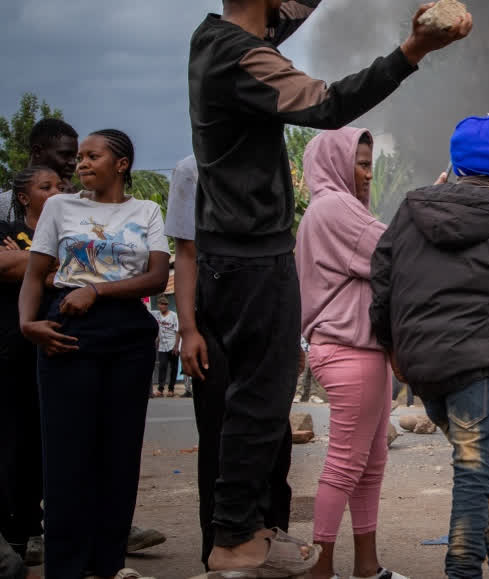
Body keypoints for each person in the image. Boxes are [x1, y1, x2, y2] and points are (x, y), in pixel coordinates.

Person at [189, 0, 471, 574]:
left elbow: (276, 19)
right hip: (252, 254)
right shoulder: (243, 60)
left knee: (254, 399)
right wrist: (412, 49)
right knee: (260, 400)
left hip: (229, 252)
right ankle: (235, 534)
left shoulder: (213, 38)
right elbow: (329, 103)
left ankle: (250, 527)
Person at [370, 115, 489, 579]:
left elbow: (382, 280)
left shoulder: (412, 208)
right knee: (472, 470)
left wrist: (393, 347)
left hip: (420, 365)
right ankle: (462, 569)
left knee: (475, 467)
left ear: (455, 163)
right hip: (475, 362)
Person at [18, 129, 170, 579]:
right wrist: (28, 325)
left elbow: (158, 277)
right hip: (67, 331)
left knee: (119, 456)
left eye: (93, 156)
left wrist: (98, 291)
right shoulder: (60, 207)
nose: (81, 164)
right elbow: (34, 274)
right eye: (80, 157)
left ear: (121, 164)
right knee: (67, 457)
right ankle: (65, 568)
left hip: (128, 336)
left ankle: (108, 565)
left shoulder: (146, 211)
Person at [168, 155, 295, 574]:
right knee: (221, 435)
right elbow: (186, 253)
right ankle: (220, 551)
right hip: (216, 320)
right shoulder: (193, 169)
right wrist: (189, 330)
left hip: (268, 313)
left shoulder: (272, 163)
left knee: (274, 433)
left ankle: (273, 540)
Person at [295, 127, 397, 579]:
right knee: (345, 465)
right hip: (349, 351)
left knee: (370, 463)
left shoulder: (336, 208)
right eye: (360, 163)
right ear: (335, 163)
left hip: (362, 352)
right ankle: (320, 570)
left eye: (370, 165)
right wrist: (431, 208)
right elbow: (397, 250)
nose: (367, 175)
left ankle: (367, 567)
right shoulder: (335, 207)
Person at [0, 167, 61, 566]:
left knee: (46, 443)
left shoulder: (70, 228)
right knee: (11, 442)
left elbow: (85, 271)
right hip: (11, 352)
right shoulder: (5, 227)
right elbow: (4, 268)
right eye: (47, 187)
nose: (58, 190)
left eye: (61, 185)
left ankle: (37, 528)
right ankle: (11, 534)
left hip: (55, 351)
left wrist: (32, 262)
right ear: (24, 198)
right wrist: (51, 266)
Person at [0, 118, 78, 222]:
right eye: (65, 155)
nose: (73, 163)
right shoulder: (3, 208)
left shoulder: (80, 202)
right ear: (37, 152)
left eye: (75, 157)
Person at [151, 296, 180, 397]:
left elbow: (178, 331)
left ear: (167, 305)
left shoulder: (173, 315)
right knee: (162, 366)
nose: (161, 306)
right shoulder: (157, 315)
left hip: (173, 345)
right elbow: (147, 311)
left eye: (164, 304)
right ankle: (160, 389)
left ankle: (171, 389)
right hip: (162, 346)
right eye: (160, 304)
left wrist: (176, 346)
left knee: (174, 368)